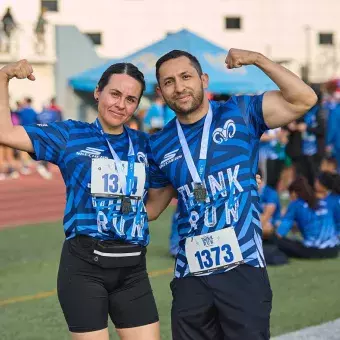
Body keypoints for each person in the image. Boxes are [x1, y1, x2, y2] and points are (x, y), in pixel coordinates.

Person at [146, 48, 317, 339]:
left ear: (204, 79)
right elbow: (152, 208)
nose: (179, 86)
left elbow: (305, 99)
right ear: (161, 92)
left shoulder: (239, 112)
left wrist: (258, 60)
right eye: (169, 82)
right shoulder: (160, 144)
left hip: (243, 267)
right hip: (191, 277)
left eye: (186, 77)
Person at [0, 59, 176, 340]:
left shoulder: (146, 146)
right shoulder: (70, 135)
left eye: (131, 99)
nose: (121, 104)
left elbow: (153, 208)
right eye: (115, 94)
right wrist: (4, 76)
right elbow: (5, 133)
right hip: (84, 270)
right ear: (98, 92)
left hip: (132, 269)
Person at [276, 176, 339, 259]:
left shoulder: (296, 204)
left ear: (294, 193)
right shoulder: (327, 202)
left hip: (312, 251)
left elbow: (281, 232)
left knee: (277, 241)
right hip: (333, 250)